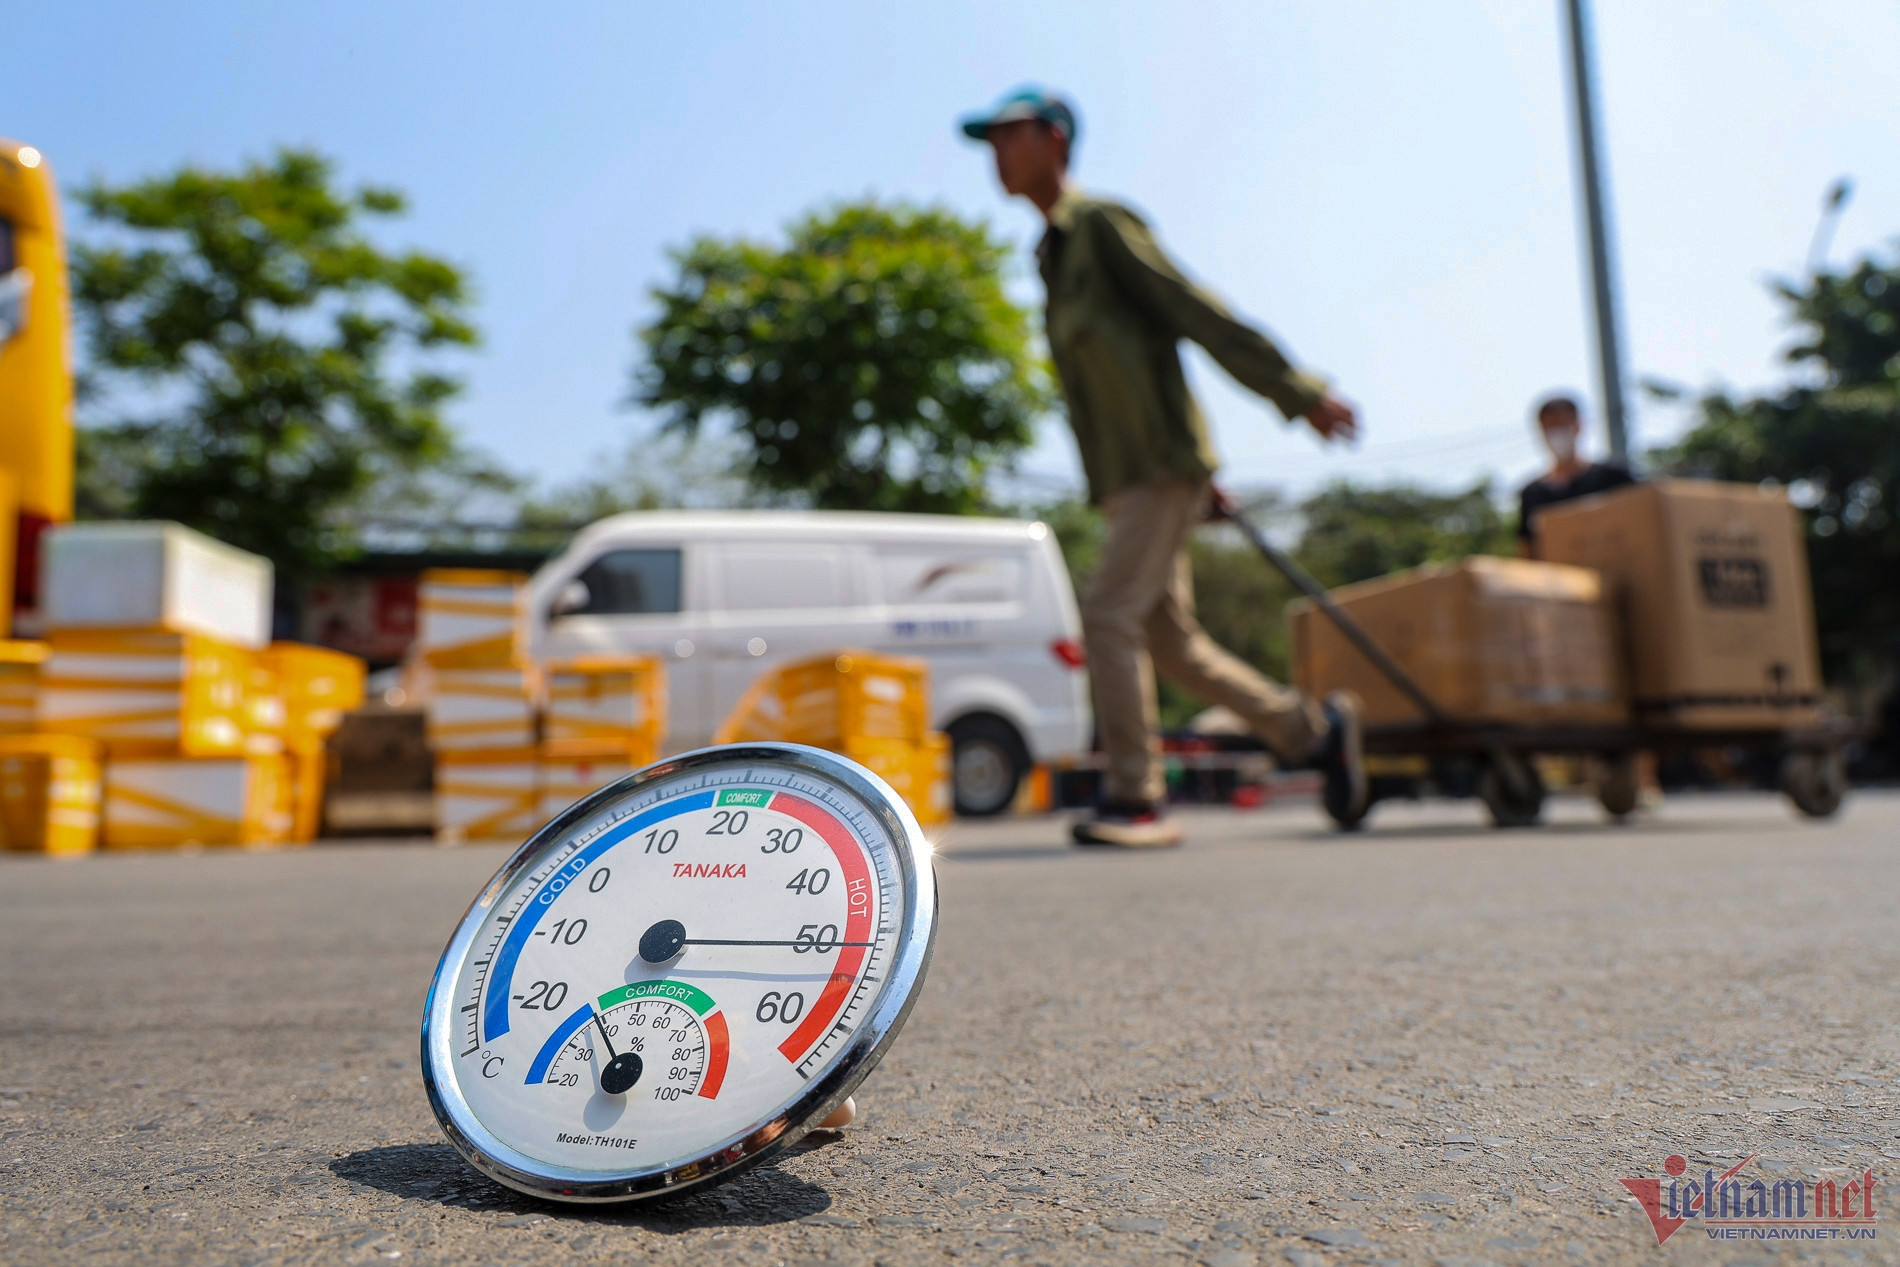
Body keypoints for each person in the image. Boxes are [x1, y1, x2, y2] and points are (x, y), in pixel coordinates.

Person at [958, 86, 1367, 848]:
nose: (997, 156)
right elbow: (1127, 370)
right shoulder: (1051, 252)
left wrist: (1298, 392)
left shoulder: (1101, 225)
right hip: (1131, 480)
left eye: (1010, 137)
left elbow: (1190, 310)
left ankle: (1136, 796)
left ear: (1055, 139)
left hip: (1156, 470)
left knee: (1106, 614)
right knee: (1173, 645)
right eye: (991, 143)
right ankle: (1308, 733)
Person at [1517, 394, 1636, 556]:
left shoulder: (1612, 477)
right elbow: (1527, 550)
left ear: (1578, 426)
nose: (1556, 435)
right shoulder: (1532, 494)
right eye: (1550, 428)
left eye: (1561, 425)